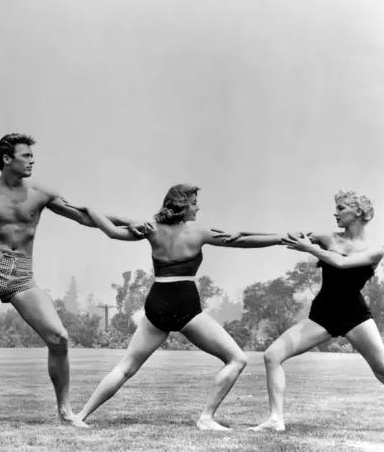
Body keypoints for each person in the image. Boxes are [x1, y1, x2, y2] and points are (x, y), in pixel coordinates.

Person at [0, 133, 151, 428]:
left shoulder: (41, 192)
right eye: (26, 156)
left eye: (32, 156)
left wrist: (130, 222)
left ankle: (65, 413)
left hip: (21, 273)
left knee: (59, 338)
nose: (32, 161)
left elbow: (85, 216)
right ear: (7, 159)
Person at [66, 183, 283, 430]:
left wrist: (91, 210)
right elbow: (243, 241)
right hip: (185, 306)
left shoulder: (151, 228)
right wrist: (281, 239)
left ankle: (80, 416)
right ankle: (206, 418)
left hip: (157, 304)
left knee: (126, 367)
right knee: (236, 359)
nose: (197, 207)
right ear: (182, 205)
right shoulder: (198, 232)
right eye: (193, 203)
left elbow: (113, 230)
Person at [251, 190, 384, 435]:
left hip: (354, 315)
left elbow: (342, 263)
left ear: (357, 212)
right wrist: (240, 236)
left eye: (341, 208)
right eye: (336, 208)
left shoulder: (375, 251)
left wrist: (309, 249)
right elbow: (283, 238)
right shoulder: (327, 238)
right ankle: (276, 419)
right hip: (323, 314)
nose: (335, 213)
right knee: (272, 355)